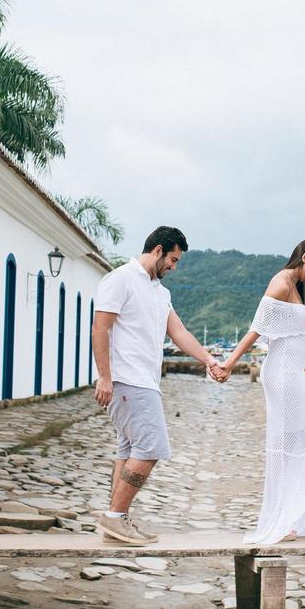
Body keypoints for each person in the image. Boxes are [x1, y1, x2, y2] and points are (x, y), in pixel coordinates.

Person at [91, 226, 227, 545]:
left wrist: (209, 360)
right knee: (150, 448)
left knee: (129, 449)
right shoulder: (120, 279)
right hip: (127, 380)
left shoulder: (159, 292)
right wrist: (105, 377)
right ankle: (113, 516)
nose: (174, 267)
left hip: (145, 381)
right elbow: (101, 329)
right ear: (157, 250)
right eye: (173, 259)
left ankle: (118, 519)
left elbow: (178, 333)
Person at [221, 238, 305, 544]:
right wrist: (229, 363)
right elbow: (256, 329)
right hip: (283, 376)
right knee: (300, 440)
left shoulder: (294, 287)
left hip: (292, 375)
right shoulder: (281, 284)